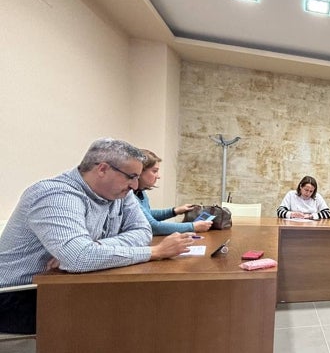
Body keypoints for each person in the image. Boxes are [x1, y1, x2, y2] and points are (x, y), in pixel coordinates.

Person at [0, 138, 195, 334]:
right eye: (131, 176)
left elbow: (143, 231)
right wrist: (154, 252)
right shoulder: (55, 195)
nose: (135, 186)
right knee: (125, 310)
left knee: (140, 300)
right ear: (102, 169)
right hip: (18, 294)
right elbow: (79, 258)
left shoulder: (120, 194)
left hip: (64, 283)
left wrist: (95, 247)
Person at [135, 149, 212, 235]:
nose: (158, 176)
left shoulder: (141, 193)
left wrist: (175, 211)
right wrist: (193, 226)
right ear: (139, 171)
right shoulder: (130, 196)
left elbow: (147, 215)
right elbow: (153, 226)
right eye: (154, 171)